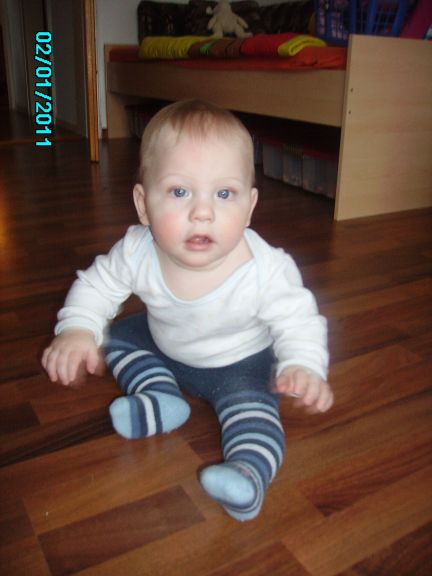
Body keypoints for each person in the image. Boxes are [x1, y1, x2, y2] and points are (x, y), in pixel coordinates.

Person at [42, 99, 334, 521]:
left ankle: (247, 476)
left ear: (250, 208)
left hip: (240, 366)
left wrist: (304, 365)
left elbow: (299, 320)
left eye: (224, 194)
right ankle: (160, 396)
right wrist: (77, 329)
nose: (202, 212)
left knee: (254, 411)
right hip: (165, 346)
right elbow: (97, 285)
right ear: (143, 205)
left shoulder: (266, 269)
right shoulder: (137, 250)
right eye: (179, 192)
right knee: (115, 337)